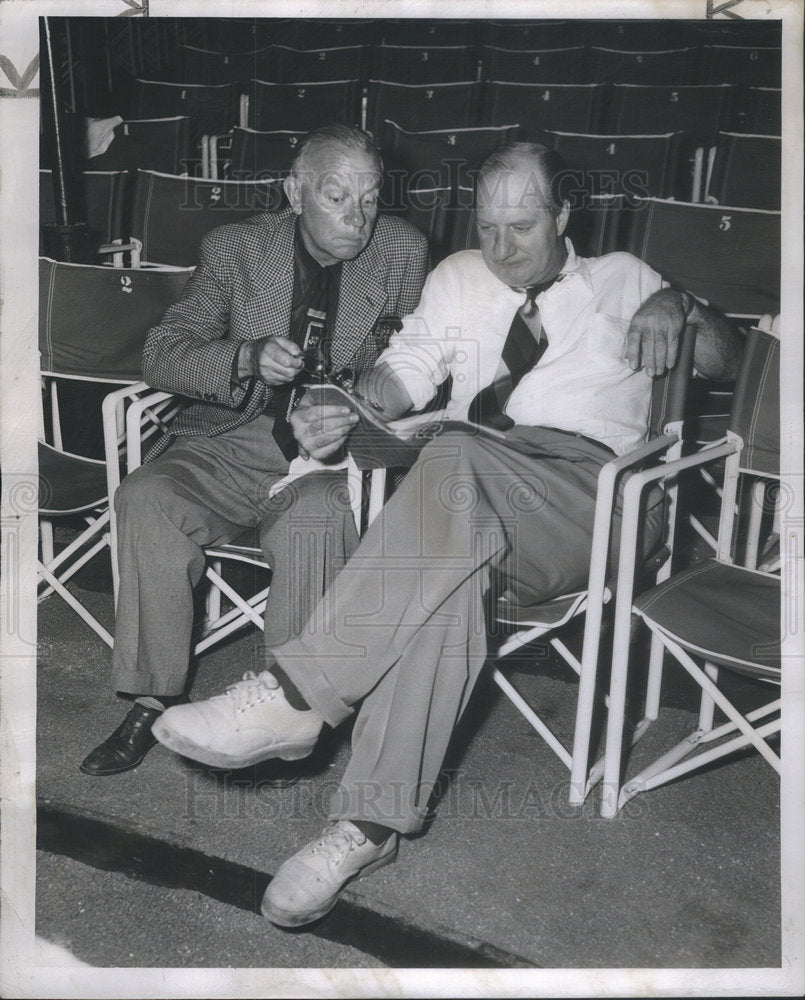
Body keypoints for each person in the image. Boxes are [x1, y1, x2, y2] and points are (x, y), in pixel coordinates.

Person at [152, 142, 744, 926]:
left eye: (522, 226)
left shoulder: (626, 278)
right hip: (470, 493)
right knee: (450, 565)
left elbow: (726, 360)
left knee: (456, 455)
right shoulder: (458, 276)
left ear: (564, 216)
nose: (500, 248)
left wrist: (684, 306)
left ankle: (298, 694)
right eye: (487, 226)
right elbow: (406, 369)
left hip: (593, 496)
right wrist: (353, 403)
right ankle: (366, 824)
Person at [79, 125, 429, 777]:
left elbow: (423, 366)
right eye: (336, 196)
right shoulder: (236, 248)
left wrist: (356, 401)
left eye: (371, 199)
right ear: (295, 193)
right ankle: (151, 698)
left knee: (316, 516)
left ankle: (285, 705)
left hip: (330, 456)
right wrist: (245, 357)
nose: (358, 218)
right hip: (230, 440)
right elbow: (162, 354)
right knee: (146, 496)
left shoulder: (403, 251)